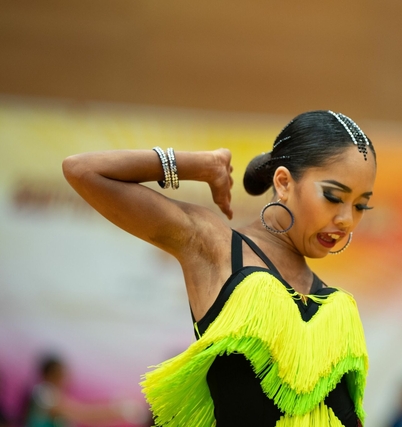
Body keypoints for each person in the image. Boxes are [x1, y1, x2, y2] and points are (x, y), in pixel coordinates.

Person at [62, 110, 377, 427]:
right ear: (283, 183)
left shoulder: (334, 307)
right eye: (333, 196)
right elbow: (82, 170)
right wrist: (201, 165)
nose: (347, 220)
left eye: (361, 205)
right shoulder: (215, 246)